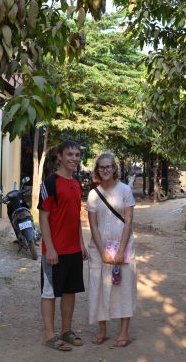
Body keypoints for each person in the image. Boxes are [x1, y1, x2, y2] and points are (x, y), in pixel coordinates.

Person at [38, 140, 88, 351]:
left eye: (77, 155)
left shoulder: (76, 184)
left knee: (70, 291)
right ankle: (50, 336)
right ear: (60, 157)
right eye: (70, 154)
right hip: (54, 250)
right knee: (49, 293)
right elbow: (43, 217)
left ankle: (66, 331)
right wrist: (50, 247)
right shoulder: (49, 184)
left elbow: (75, 217)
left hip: (74, 249)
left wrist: (82, 243)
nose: (74, 159)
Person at [87, 153, 137, 347]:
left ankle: (124, 332)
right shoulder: (93, 194)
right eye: (102, 167)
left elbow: (129, 221)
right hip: (99, 249)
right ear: (97, 170)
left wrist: (120, 250)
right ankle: (102, 329)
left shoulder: (125, 190)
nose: (106, 170)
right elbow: (93, 225)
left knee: (124, 287)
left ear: (114, 168)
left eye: (109, 166)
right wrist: (102, 252)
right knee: (99, 287)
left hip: (123, 246)